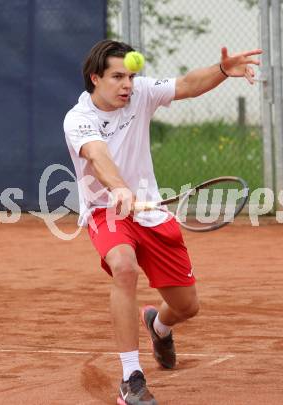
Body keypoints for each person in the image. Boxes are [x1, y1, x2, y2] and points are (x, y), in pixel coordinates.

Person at [63, 39, 261, 405]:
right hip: (109, 212)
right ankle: (131, 379)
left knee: (187, 306)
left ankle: (159, 326)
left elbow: (186, 84)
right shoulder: (79, 119)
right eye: (117, 77)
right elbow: (97, 154)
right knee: (123, 267)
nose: (127, 84)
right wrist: (120, 189)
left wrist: (221, 71)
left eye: (131, 76)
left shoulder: (139, 94)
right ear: (95, 78)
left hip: (151, 212)